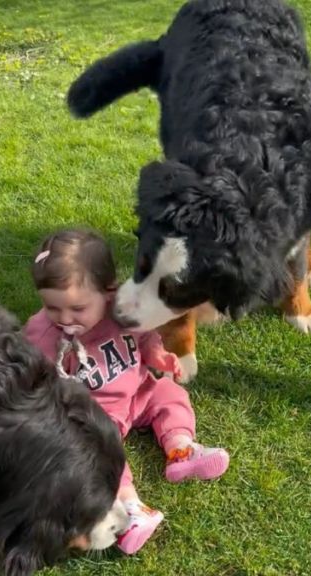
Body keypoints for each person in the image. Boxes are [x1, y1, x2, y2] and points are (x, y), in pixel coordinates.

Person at [24, 228, 230, 554]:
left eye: (77, 309)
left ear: (108, 292)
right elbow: (31, 377)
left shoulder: (124, 309)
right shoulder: (43, 335)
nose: (65, 319)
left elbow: (144, 336)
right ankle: (129, 509)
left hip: (137, 392)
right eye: (52, 308)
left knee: (170, 394)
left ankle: (181, 448)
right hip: (95, 418)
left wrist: (157, 355)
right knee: (100, 457)